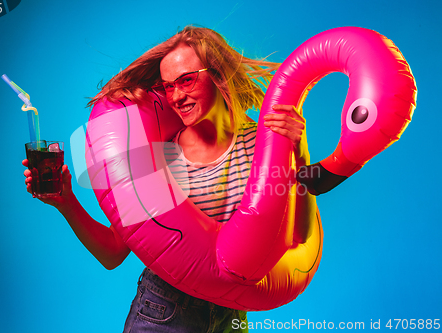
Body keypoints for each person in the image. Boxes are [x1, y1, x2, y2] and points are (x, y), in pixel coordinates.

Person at [23, 26, 316, 333]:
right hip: (165, 313)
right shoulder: (160, 158)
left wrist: (299, 150)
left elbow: (300, 234)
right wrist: (65, 201)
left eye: (186, 80)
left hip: (232, 316)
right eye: (167, 87)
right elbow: (113, 253)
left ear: (216, 74)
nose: (176, 96)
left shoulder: (260, 144)